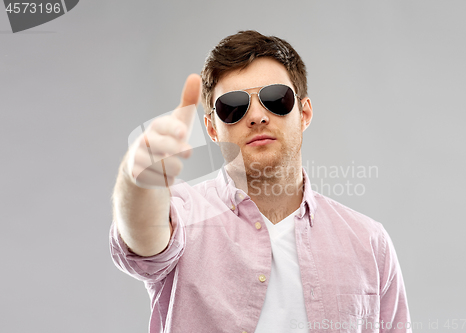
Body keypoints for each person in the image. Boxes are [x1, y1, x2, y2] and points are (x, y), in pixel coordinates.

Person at [110, 30, 412, 333]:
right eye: (233, 106)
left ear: (304, 113)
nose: (256, 116)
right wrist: (137, 179)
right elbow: (143, 237)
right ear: (212, 128)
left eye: (275, 99)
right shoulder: (183, 218)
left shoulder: (369, 243)